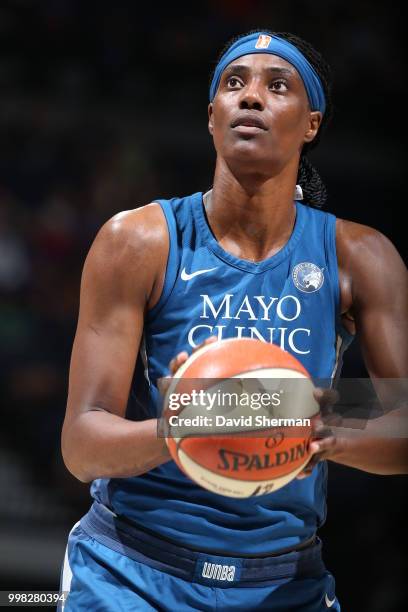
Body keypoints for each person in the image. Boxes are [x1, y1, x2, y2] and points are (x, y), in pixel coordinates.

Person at [59, 30, 408, 611]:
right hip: (132, 573)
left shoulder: (361, 257)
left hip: (283, 582)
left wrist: (310, 421)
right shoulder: (139, 241)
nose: (251, 97)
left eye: (278, 86)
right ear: (212, 116)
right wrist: (181, 428)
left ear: (312, 124)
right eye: (234, 83)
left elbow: (402, 421)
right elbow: (82, 443)